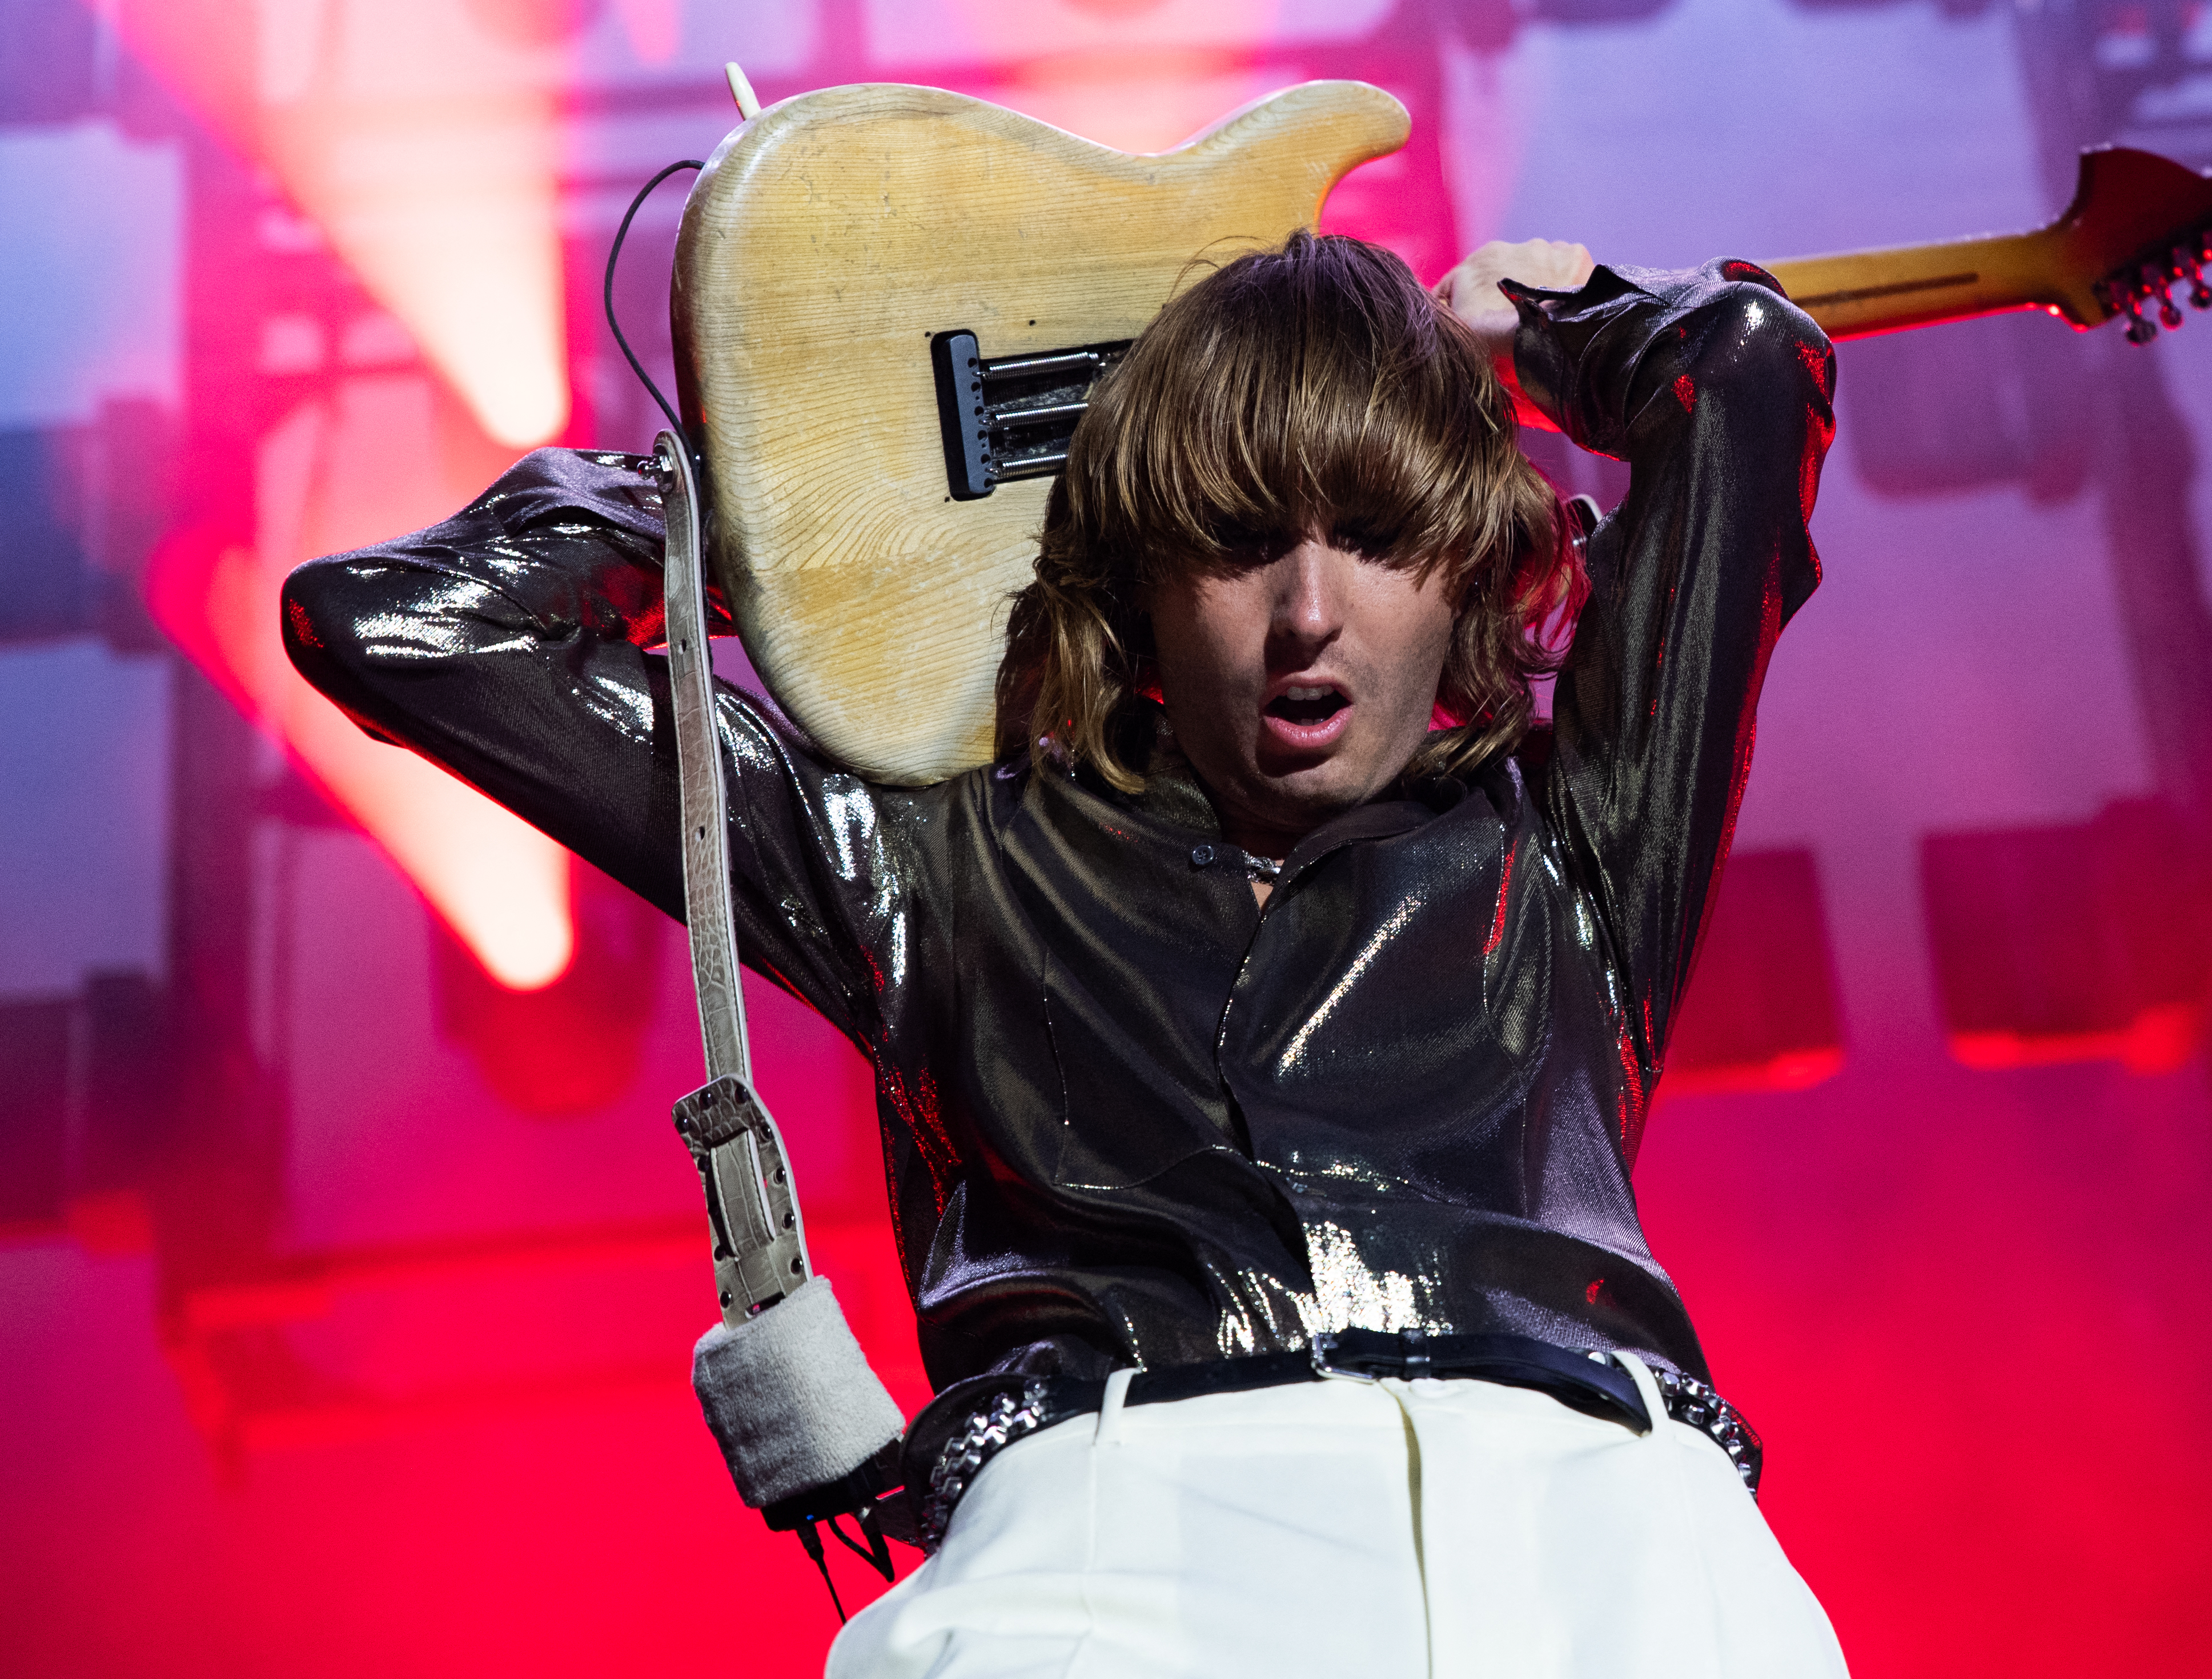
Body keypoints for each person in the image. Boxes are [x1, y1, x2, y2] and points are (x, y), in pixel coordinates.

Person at [282, 228, 1846, 1677]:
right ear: (1140, 584)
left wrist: (1555, 332)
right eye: (1238, 543)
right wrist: (771, 475)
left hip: (1601, 1552)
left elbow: (1749, 369)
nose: (1308, 611)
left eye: (1374, 537)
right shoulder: (939, 871)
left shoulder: (1573, 849)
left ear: (1469, 568)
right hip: (1109, 1558)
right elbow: (405, 626)